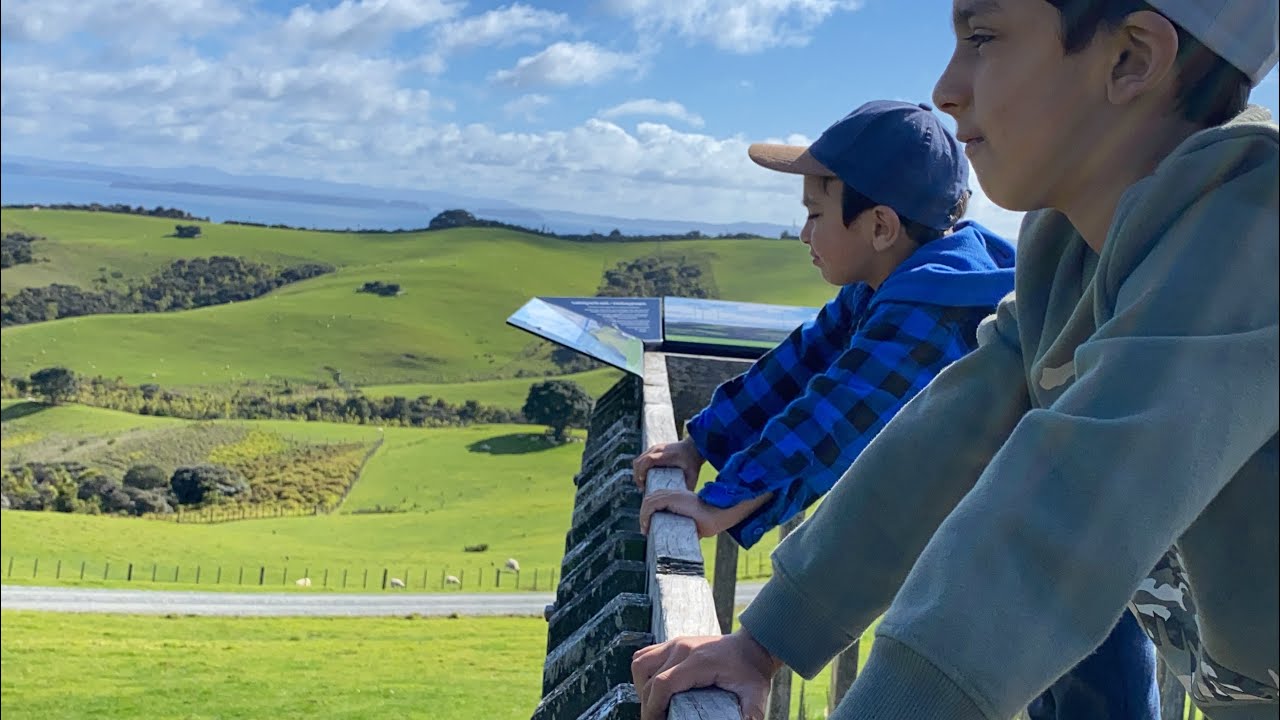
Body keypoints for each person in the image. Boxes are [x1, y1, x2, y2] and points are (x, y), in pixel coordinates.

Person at [631, 1, 1279, 719]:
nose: (945, 87)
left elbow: (1068, 508)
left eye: (982, 38)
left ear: (1131, 59)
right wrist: (765, 640)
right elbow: (950, 432)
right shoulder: (1067, 250)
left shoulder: (1253, 237)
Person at [632, 99, 1158, 720]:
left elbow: (841, 413)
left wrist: (723, 501)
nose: (803, 233)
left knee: (1099, 695)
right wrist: (703, 445)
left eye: (815, 214)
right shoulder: (893, 283)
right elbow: (803, 361)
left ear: (880, 226)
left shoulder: (931, 310)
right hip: (1011, 546)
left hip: (1066, 548)